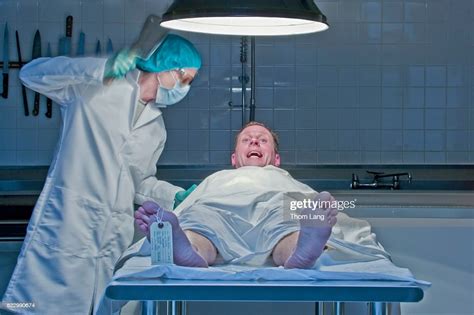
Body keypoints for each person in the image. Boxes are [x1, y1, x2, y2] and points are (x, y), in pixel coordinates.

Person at [2, 34, 201, 314]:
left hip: (112, 236)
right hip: (70, 224)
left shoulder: (156, 128)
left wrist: (175, 195)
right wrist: (99, 68)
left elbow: (140, 183)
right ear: (165, 67)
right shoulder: (94, 89)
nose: (185, 88)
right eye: (186, 79)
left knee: (101, 307)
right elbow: (31, 74)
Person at [134, 122, 339, 269]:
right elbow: (191, 203)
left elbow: (308, 203)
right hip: (218, 210)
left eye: (262, 140)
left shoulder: (284, 179)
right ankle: (189, 250)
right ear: (234, 158)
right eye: (246, 140)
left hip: (273, 207)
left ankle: (298, 250)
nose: (254, 142)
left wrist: (314, 212)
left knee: (287, 219)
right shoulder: (217, 179)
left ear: (276, 159)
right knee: (199, 217)